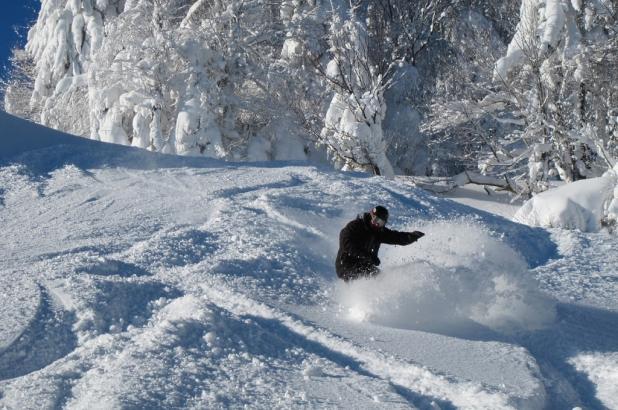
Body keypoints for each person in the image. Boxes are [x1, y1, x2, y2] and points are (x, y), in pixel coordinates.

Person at [335, 205, 424, 281]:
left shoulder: (379, 232)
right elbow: (347, 244)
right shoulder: (355, 226)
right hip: (346, 265)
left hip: (364, 265)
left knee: (381, 278)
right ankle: (360, 298)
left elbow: (396, 237)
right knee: (365, 279)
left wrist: (413, 236)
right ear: (371, 215)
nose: (376, 224)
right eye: (375, 219)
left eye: (380, 222)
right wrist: (368, 256)